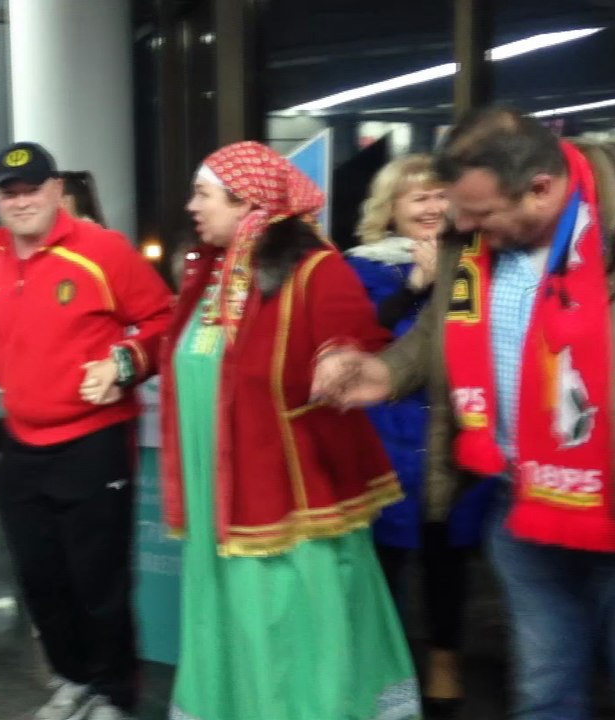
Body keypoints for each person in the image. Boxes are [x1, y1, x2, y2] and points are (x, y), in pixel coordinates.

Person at [313, 106, 615, 719]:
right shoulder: (473, 229)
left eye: (480, 216)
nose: (463, 227)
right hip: (522, 504)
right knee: (543, 690)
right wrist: (385, 372)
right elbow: (441, 326)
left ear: (540, 189)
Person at [158, 141, 419, 720]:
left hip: (288, 495)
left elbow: (355, 337)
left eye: (202, 194)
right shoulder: (208, 275)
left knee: (291, 622)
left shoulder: (314, 268)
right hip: (218, 495)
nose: (190, 206)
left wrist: (338, 358)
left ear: (245, 199)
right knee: (233, 617)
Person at [0, 141, 174, 720]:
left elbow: (164, 319)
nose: (21, 201)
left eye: (32, 188)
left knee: (98, 583)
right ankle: (72, 679)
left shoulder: (101, 251)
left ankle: (113, 694)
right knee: (41, 580)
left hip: (95, 444)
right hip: (23, 447)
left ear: (57, 190)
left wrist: (124, 363)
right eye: (9, 192)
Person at [345, 154, 496, 713]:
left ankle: (444, 663)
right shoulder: (358, 266)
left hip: (452, 432)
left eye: (440, 196)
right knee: (382, 559)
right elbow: (362, 337)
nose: (433, 207)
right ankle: (382, 666)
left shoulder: (482, 260)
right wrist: (416, 285)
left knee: (447, 556)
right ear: (391, 210)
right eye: (418, 199)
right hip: (382, 435)